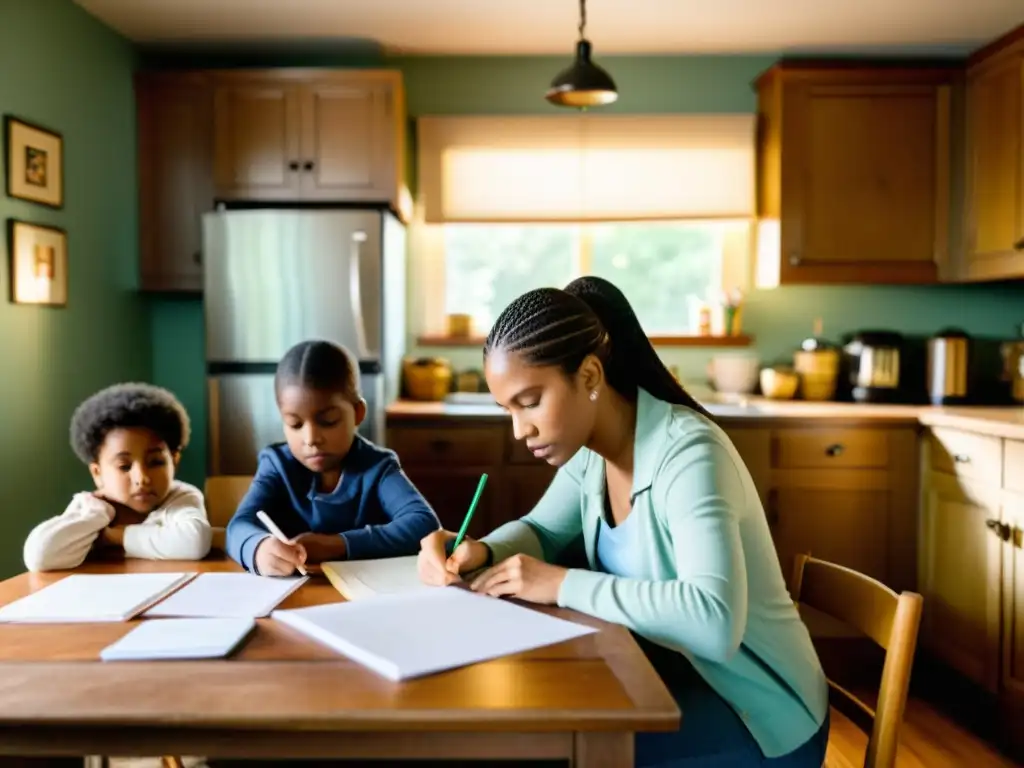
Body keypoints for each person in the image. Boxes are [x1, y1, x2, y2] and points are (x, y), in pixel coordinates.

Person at [418, 277, 829, 767]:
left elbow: (714, 622)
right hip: (667, 676)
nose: (519, 430)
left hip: (761, 718)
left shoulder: (690, 454)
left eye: (530, 403)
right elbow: (543, 531)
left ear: (590, 376)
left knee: (548, 750)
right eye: (508, 409)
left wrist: (561, 584)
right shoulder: (592, 453)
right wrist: (480, 551)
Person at [226, 339, 440, 577]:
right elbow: (238, 527)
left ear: (358, 413)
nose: (311, 438)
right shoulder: (277, 465)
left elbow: (424, 525)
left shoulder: (377, 468)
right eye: (295, 424)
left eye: (328, 421)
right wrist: (258, 549)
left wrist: (336, 545)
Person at [23, 382, 212, 571]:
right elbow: (39, 556)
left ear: (174, 461)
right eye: (124, 466)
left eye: (155, 462)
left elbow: (195, 542)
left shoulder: (180, 497)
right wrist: (99, 514)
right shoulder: (93, 506)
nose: (142, 478)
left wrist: (115, 537)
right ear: (98, 473)